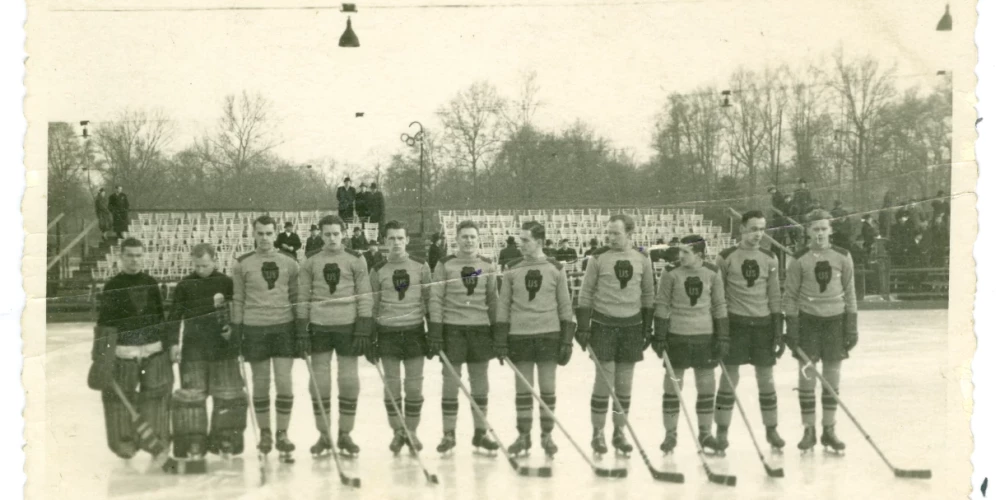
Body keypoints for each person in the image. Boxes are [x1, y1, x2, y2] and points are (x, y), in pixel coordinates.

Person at [573, 214, 654, 455]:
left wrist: (647, 327)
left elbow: (648, 294)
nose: (610, 237)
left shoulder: (642, 259)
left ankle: (620, 432)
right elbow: (586, 294)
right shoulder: (598, 258)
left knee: (624, 383)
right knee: (604, 380)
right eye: (608, 232)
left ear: (630, 234)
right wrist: (584, 326)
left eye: (615, 233)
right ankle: (597, 433)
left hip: (631, 326)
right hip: (603, 325)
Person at [496, 221, 575, 457]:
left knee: (548, 387)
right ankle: (523, 436)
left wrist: (567, 340)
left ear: (539, 242)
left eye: (526, 240)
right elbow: (503, 305)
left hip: (548, 335)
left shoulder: (556, 268)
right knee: (523, 388)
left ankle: (547, 435)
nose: (521, 244)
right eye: (520, 240)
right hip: (519, 335)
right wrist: (501, 338)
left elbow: (565, 305)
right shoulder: (512, 268)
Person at [88, 237, 172, 459]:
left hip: (152, 349)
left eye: (138, 255)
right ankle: (123, 441)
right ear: (121, 257)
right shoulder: (112, 286)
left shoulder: (152, 283)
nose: (134, 260)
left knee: (156, 396)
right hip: (124, 351)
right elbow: (105, 323)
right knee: (119, 398)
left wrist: (166, 346)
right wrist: (101, 356)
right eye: (129, 256)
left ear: (143, 257)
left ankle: (157, 440)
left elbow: (159, 317)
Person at [297, 214, 374, 457]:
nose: (332, 238)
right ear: (320, 235)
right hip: (320, 325)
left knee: (348, 379)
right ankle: (323, 434)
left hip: (348, 325)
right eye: (327, 234)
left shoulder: (356, 259)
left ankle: (345, 434)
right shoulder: (311, 261)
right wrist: (302, 329)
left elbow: (364, 294)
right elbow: (302, 297)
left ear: (344, 234)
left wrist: (363, 326)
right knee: (319, 381)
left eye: (336, 233)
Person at [783, 209, 857, 453]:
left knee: (832, 375)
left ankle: (829, 429)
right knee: (807, 376)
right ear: (807, 231)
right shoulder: (798, 258)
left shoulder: (843, 256)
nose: (820, 233)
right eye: (815, 229)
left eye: (824, 229)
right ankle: (809, 430)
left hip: (835, 321)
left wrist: (851, 325)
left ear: (831, 230)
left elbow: (850, 292)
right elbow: (790, 295)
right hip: (808, 322)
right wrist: (792, 327)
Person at [711, 211, 785, 453]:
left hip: (762, 325)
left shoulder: (770, 258)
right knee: (729, 379)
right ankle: (721, 431)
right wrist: (720, 331)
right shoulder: (725, 257)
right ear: (742, 229)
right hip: (736, 325)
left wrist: (777, 328)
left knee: (766, 379)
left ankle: (771, 429)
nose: (758, 234)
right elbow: (718, 297)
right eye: (753, 229)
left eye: (762, 229)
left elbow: (774, 295)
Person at [165, 243, 246, 459]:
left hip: (224, 349)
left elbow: (237, 313)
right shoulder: (184, 285)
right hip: (194, 350)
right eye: (198, 265)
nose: (201, 269)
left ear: (215, 261)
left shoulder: (227, 283)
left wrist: (235, 332)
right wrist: (173, 343)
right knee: (192, 398)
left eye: (206, 265)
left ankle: (225, 438)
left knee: (227, 396)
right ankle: (194, 441)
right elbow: (174, 316)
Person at [427, 220, 501, 454]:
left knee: (480, 384)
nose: (468, 241)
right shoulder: (445, 264)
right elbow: (436, 298)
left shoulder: (487, 265)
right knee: (451, 382)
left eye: (472, 237)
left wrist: (498, 333)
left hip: (479, 330)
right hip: (452, 329)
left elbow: (493, 300)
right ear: (456, 239)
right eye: (464, 237)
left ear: (478, 240)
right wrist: (436, 331)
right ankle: (448, 434)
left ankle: (480, 433)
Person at [231, 215, 301, 461]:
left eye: (269, 233)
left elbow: (296, 297)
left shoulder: (290, 263)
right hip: (254, 329)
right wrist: (237, 330)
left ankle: (282, 434)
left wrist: (301, 329)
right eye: (260, 233)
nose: (264, 238)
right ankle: (265, 434)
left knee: (283, 382)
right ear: (253, 234)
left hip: (283, 328)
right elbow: (238, 299)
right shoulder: (242, 264)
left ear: (276, 234)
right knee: (260, 383)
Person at [652, 234, 728, 454]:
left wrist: (723, 336)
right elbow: (663, 303)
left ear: (699, 255)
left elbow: (719, 304)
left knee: (706, 386)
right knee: (673, 386)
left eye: (686, 252)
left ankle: (705, 434)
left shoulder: (712, 272)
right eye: (680, 251)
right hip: (677, 335)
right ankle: (670, 435)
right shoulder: (670, 272)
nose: (680, 255)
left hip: (705, 335)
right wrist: (660, 334)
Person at [370, 220, 433, 454]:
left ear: (407, 240)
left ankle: (412, 431)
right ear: (384, 242)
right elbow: (372, 305)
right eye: (391, 239)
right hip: (388, 333)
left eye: (400, 238)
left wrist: (433, 331)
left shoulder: (420, 266)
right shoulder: (377, 270)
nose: (396, 243)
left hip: (414, 330)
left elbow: (428, 300)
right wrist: (371, 336)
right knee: (393, 385)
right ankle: (398, 431)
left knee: (414, 387)